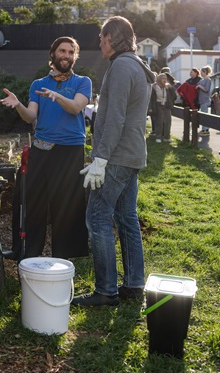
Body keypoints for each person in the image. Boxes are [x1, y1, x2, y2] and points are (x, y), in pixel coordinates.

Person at [72, 16, 154, 307]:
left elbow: (117, 116)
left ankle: (106, 290)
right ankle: (133, 284)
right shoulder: (137, 64)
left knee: (97, 217)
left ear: (112, 38)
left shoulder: (121, 66)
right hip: (132, 153)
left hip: (116, 156)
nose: (99, 43)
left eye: (101, 38)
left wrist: (100, 159)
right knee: (126, 218)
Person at [0, 36, 91, 259]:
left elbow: (76, 107)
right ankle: (27, 252)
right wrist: (19, 104)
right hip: (42, 149)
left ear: (74, 57)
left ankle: (65, 256)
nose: (66, 56)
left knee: (66, 206)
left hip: (70, 151)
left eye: (71, 52)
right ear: (53, 54)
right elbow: (31, 116)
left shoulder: (82, 82)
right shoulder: (38, 85)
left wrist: (58, 96)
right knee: (34, 203)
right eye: (62, 51)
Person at [151, 72, 178, 143]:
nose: (164, 80)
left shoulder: (168, 87)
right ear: (159, 79)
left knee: (168, 121)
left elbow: (174, 96)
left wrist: (170, 101)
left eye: (165, 78)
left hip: (166, 105)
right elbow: (151, 98)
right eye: (163, 78)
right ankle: (158, 136)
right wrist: (151, 107)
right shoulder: (154, 87)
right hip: (158, 105)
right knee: (159, 121)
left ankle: (167, 137)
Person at [196, 65, 213, 135]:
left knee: (204, 116)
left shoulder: (208, 80)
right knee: (202, 116)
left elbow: (206, 89)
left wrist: (199, 86)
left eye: (202, 72)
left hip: (205, 100)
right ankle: (204, 129)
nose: (201, 73)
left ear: (206, 72)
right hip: (201, 101)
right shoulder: (201, 80)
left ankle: (206, 131)